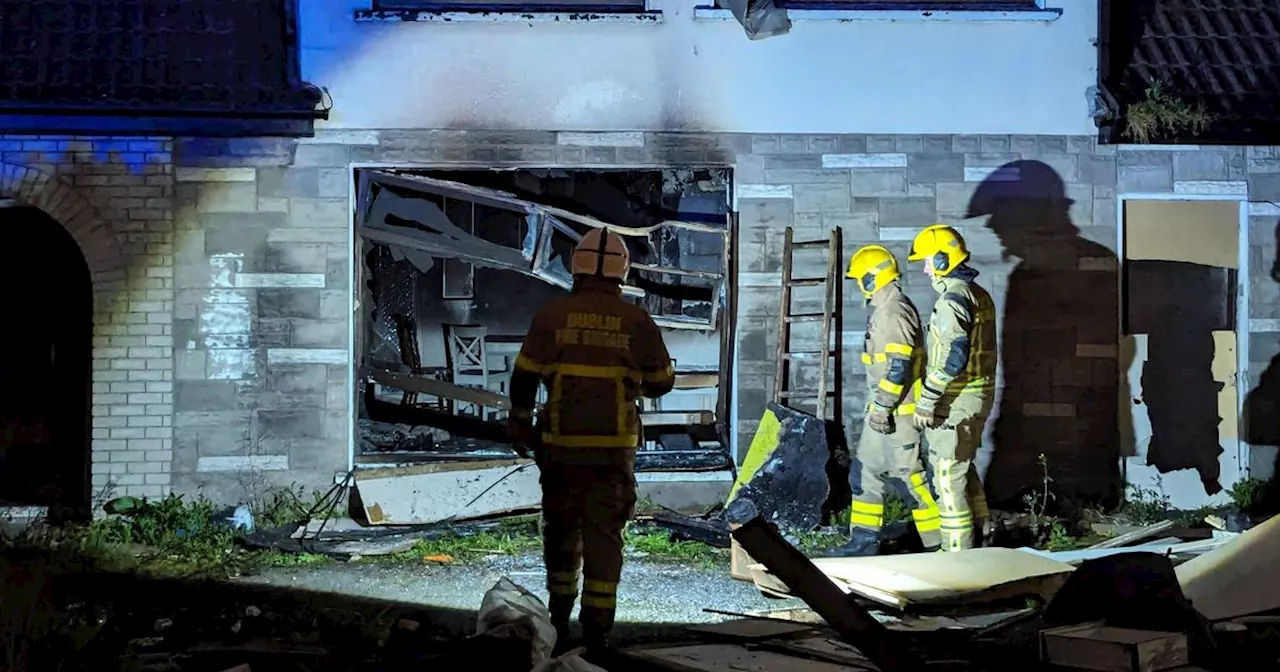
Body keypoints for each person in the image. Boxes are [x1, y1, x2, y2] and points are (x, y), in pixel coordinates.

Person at [507, 227, 675, 658]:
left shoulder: (552, 315)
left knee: (562, 532)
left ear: (575, 266)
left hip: (561, 448)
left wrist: (520, 423)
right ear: (622, 271)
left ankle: (558, 620)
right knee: (604, 538)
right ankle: (597, 635)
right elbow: (661, 383)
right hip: (611, 452)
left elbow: (524, 376)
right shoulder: (637, 320)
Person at [825, 245, 942, 557]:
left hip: (898, 416)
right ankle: (863, 542)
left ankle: (939, 545)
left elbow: (898, 366)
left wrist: (882, 407)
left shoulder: (894, 312)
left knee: (909, 481)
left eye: (859, 279)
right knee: (863, 473)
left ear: (870, 278)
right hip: (883, 414)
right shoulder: (885, 310)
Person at [907, 224, 997, 552]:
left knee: (947, 477)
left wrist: (928, 400)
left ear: (944, 259)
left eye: (929, 260)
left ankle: (956, 559)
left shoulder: (952, 299)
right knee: (964, 466)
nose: (925, 267)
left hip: (957, 399)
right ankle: (984, 533)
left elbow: (953, 356)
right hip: (978, 394)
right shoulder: (979, 294)